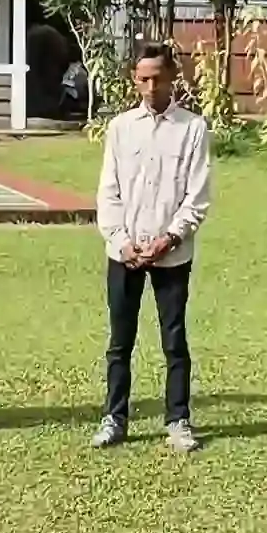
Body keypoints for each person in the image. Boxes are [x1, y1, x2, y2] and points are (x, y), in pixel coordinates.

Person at [93, 40, 213, 452]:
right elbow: (109, 192)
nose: (150, 87)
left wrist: (170, 237)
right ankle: (115, 417)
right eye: (143, 79)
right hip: (124, 255)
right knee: (120, 340)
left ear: (172, 77)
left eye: (158, 78)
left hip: (172, 254)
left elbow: (196, 196)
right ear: (134, 79)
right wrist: (121, 241)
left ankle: (178, 419)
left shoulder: (193, 128)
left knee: (173, 340)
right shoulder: (121, 127)